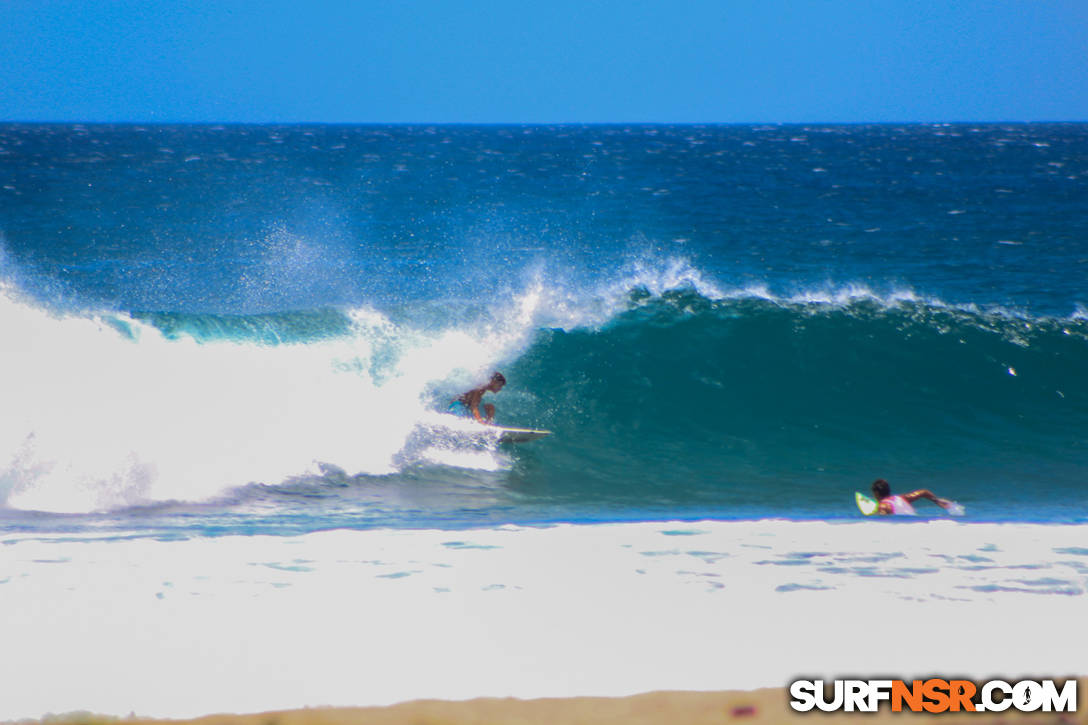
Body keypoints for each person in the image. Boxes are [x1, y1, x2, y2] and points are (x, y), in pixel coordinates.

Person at [870, 478, 952, 515]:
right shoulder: (901, 498)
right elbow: (923, 492)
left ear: (876, 493)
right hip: (915, 523)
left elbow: (883, 518)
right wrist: (937, 501)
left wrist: (874, 515)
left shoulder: (883, 506)